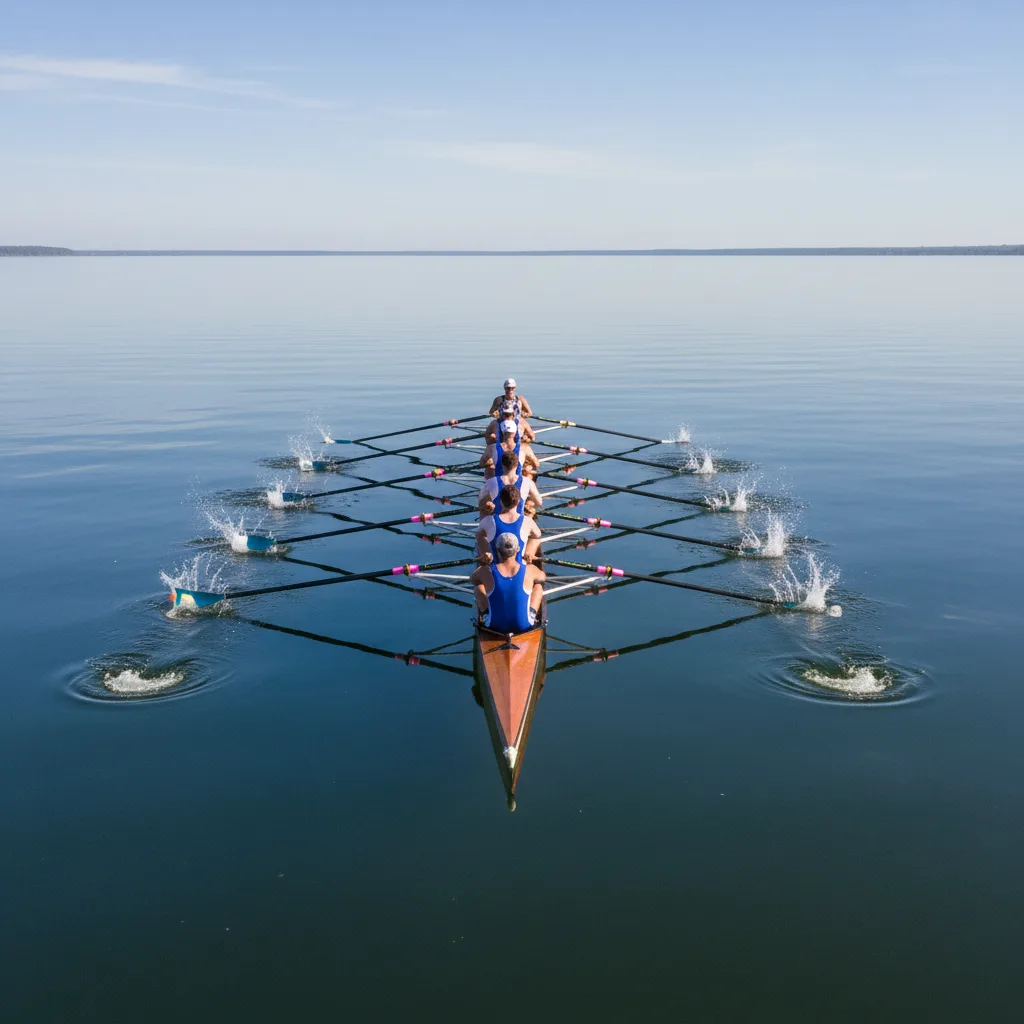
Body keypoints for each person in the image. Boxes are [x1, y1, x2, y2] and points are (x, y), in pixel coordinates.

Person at [471, 531, 546, 633]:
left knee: (478, 587)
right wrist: (529, 562)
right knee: (538, 587)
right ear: (518, 549)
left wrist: (483, 563)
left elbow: (473, 580)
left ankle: (486, 614)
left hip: (494, 626)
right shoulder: (530, 569)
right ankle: (531, 614)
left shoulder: (486, 570)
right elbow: (543, 577)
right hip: (524, 625)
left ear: (496, 550)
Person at [476, 483, 543, 565]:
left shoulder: (489, 520)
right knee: (541, 576)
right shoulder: (528, 521)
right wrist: (530, 552)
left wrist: (485, 552)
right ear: (519, 501)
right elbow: (537, 536)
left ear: (501, 501)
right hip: (519, 566)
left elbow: (478, 535)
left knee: (475, 576)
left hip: (495, 566)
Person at [478, 450, 543, 516]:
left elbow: (481, 503)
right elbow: (539, 502)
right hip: (519, 521)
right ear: (517, 464)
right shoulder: (528, 482)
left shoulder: (491, 482)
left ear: (502, 465)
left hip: (498, 520)